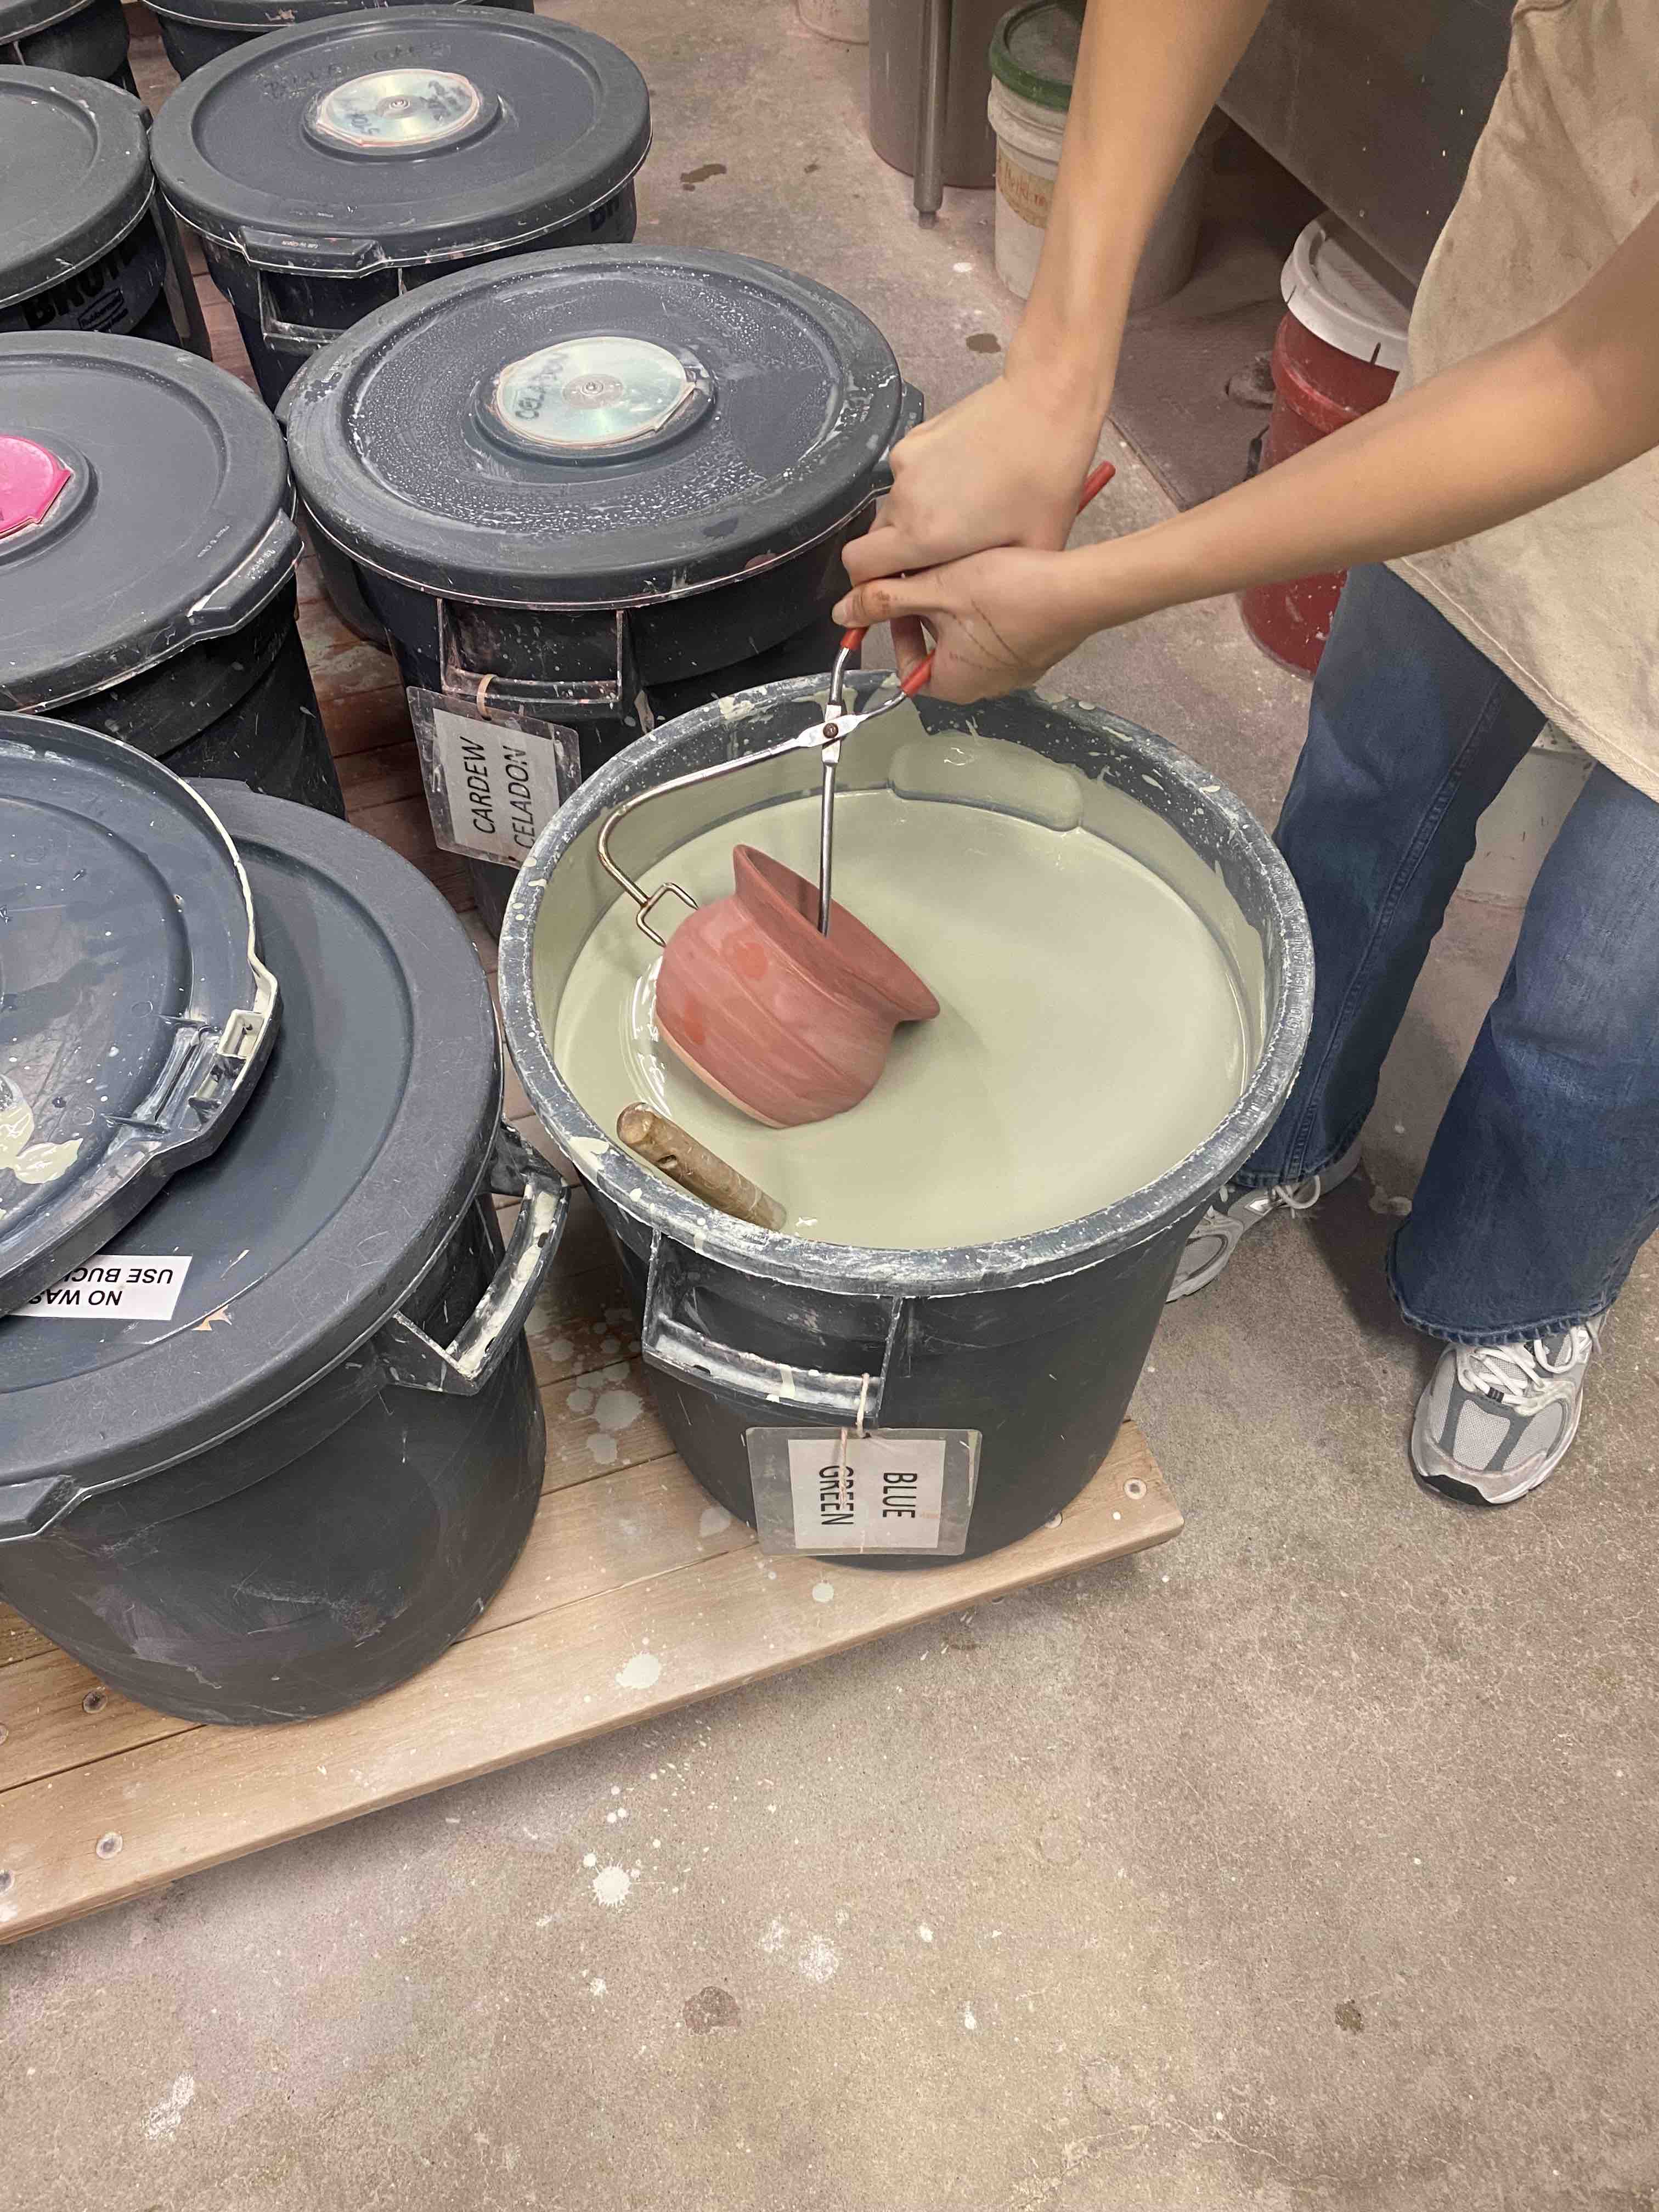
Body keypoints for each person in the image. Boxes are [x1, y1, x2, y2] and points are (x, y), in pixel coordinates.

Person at [833, 0, 1659, 1508]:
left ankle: (1518, 1285)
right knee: (1375, 781)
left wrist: (1092, 590)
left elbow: (1604, 382)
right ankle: (1284, 1128)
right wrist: (1052, 373)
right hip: (1548, 275)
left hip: (1603, 367)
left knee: (1610, 991)